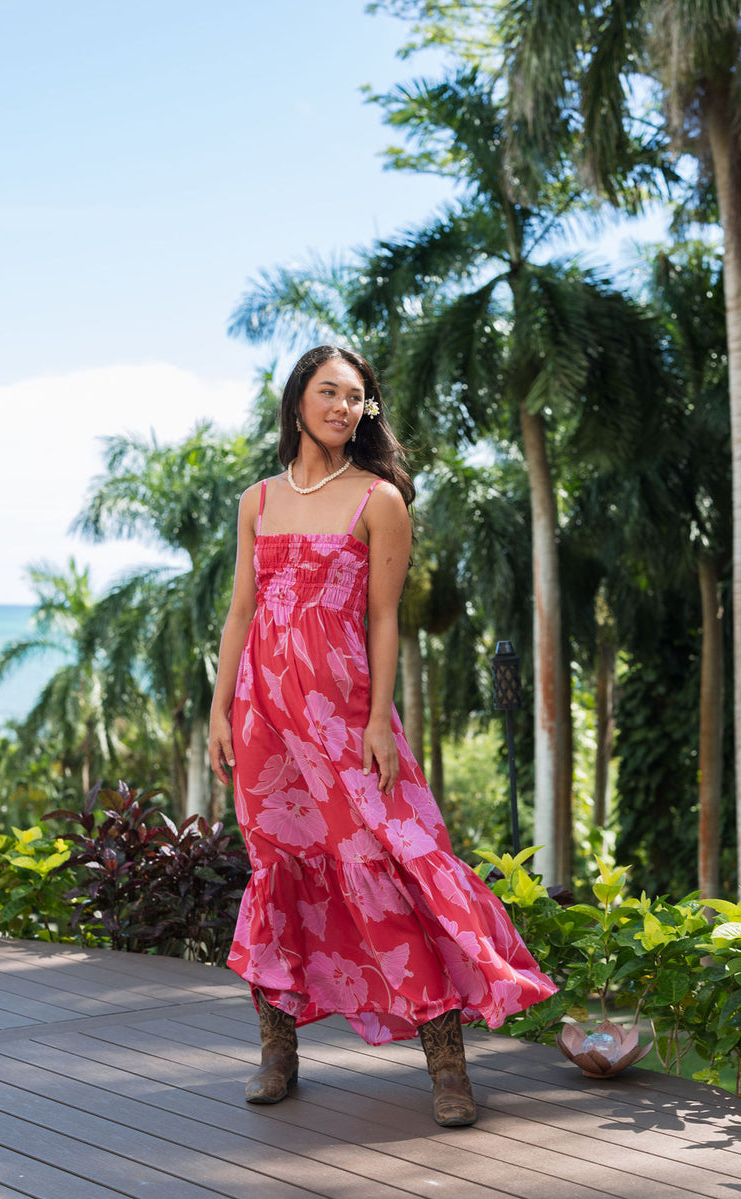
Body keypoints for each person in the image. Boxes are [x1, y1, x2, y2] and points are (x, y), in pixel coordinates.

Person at [208, 344, 556, 1128]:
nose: (342, 406)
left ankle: (447, 1067)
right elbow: (240, 610)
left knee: (385, 861)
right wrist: (219, 708)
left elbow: (384, 618)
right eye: (328, 391)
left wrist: (375, 721)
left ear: (368, 410)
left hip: (342, 715)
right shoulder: (257, 499)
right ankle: (277, 1052)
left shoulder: (379, 499)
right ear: (299, 397)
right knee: (277, 870)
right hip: (264, 715)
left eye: (356, 396)